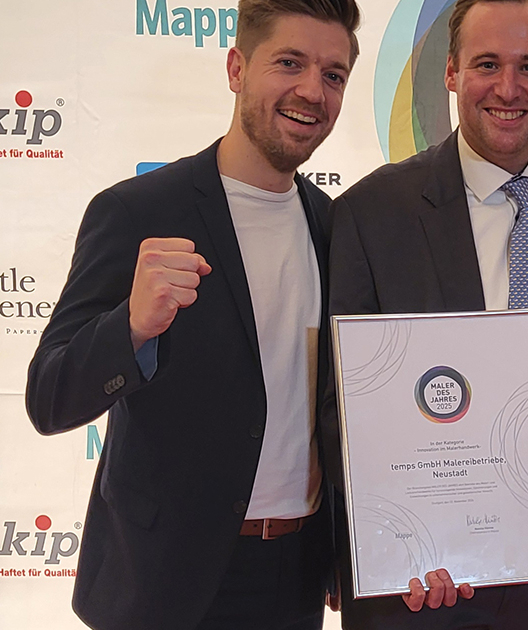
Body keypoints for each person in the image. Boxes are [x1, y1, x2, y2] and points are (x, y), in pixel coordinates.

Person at [24, 1, 361, 628]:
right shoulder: (136, 212)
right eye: (289, 62)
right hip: (160, 581)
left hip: (293, 575)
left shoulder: (338, 226)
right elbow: (49, 398)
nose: (312, 91)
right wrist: (130, 326)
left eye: (333, 74)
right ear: (236, 67)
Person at [325, 0, 528, 627]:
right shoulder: (373, 212)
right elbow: (341, 402)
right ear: (450, 73)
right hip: (431, 566)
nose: (508, 88)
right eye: (487, 64)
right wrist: (377, 548)